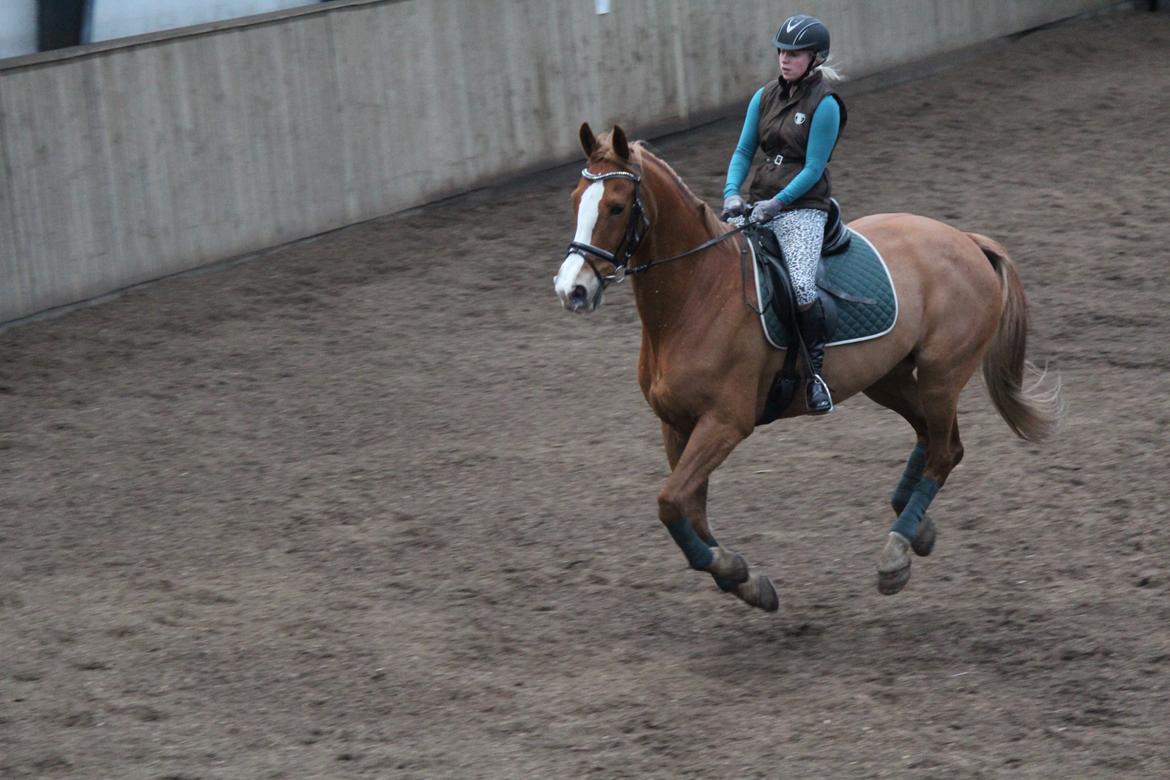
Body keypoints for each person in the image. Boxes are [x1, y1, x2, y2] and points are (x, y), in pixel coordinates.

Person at [721, 14, 847, 415]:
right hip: (759, 201)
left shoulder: (825, 105)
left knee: (803, 287)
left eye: (795, 54)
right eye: (781, 52)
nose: (785, 59)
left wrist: (778, 203)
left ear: (815, 58)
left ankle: (815, 376)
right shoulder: (763, 97)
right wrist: (731, 194)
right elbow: (744, 150)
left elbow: (814, 167)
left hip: (803, 208)